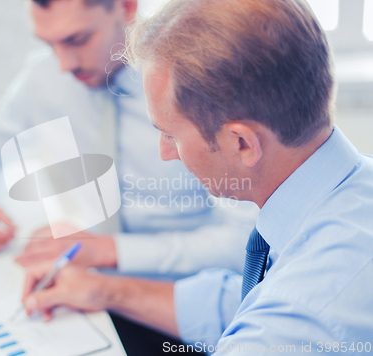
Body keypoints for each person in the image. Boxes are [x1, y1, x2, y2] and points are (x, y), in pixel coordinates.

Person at [21, 0, 373, 352]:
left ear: (242, 143)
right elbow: (243, 303)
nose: (165, 152)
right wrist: (106, 291)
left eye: (171, 134)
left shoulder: (288, 326)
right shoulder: (351, 189)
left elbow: (275, 314)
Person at [0, 0, 254, 278]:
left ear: (126, 7)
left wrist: (110, 250)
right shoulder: (42, 76)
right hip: (86, 279)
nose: (64, 65)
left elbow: (243, 243)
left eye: (77, 39)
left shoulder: (200, 81)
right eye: (49, 44)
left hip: (187, 295)